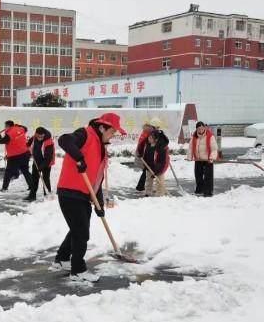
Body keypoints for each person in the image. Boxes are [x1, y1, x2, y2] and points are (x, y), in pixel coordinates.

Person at [54, 113, 126, 282]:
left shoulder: (101, 146)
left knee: (77, 229)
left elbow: (97, 178)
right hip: (70, 191)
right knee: (81, 232)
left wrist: (98, 203)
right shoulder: (85, 134)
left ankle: (62, 259)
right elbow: (64, 140)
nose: (113, 135)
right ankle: (78, 271)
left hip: (83, 194)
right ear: (102, 127)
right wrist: (79, 158)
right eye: (112, 131)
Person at [0, 120, 32, 192]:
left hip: (14, 157)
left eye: (5, 126)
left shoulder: (9, 134)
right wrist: (17, 125)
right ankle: (32, 186)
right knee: (25, 171)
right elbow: (25, 128)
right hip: (25, 154)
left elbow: (1, 141)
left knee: (8, 172)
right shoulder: (21, 129)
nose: (5, 128)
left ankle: (4, 188)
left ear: (8, 126)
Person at [24, 127, 55, 201]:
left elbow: (48, 158)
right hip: (36, 161)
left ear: (44, 135)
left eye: (41, 137)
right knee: (34, 179)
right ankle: (32, 195)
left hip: (47, 162)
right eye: (38, 136)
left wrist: (41, 167)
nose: (40, 138)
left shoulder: (48, 142)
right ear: (36, 134)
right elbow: (28, 144)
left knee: (45, 178)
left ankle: (47, 195)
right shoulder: (34, 137)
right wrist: (28, 146)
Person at [188, 121, 218, 197]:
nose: (200, 130)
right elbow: (191, 148)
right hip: (198, 159)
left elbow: (214, 149)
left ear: (204, 128)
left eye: (202, 128)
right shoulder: (194, 137)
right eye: (199, 128)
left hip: (208, 160)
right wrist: (189, 157)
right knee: (198, 175)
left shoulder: (210, 136)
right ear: (196, 129)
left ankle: (208, 192)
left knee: (208, 177)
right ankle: (199, 190)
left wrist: (212, 157)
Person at [135, 117, 161, 192]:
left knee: (147, 170)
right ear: (153, 126)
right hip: (143, 154)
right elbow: (143, 144)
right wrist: (141, 154)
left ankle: (141, 187)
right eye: (157, 127)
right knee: (147, 170)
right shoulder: (148, 133)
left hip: (145, 153)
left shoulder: (148, 132)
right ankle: (141, 187)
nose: (158, 129)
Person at [142, 129, 169, 197]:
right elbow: (146, 155)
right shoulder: (148, 145)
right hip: (149, 166)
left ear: (156, 139)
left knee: (159, 180)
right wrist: (145, 163)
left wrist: (157, 171)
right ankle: (148, 192)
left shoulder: (161, 147)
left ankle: (160, 193)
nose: (149, 138)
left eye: (151, 138)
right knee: (148, 180)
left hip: (159, 166)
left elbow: (161, 161)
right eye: (149, 137)